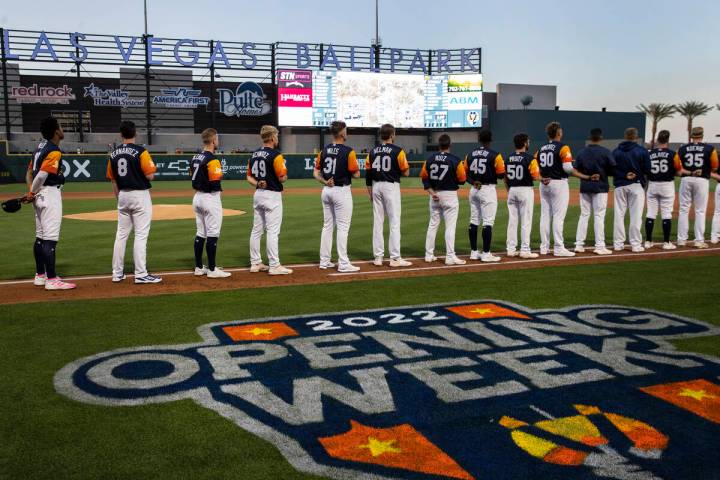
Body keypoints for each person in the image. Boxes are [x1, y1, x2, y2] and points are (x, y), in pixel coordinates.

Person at [107, 121, 162, 284]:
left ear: (121, 134)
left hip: (123, 195)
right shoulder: (141, 152)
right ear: (135, 133)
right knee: (141, 235)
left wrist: (120, 200)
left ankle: (117, 273)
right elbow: (150, 175)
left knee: (121, 235)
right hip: (139, 195)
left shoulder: (113, 154)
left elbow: (113, 181)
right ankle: (140, 274)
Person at [25, 116, 76, 290]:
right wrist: (32, 191)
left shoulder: (39, 148)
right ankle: (52, 280)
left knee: (40, 237)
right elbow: (40, 175)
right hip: (49, 194)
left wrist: (32, 193)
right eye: (61, 126)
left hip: (39, 196)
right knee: (50, 240)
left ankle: (40, 275)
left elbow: (29, 173)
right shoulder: (53, 150)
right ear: (56, 131)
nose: (63, 129)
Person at [536, 122, 597, 257]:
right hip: (558, 183)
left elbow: (536, 168)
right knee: (558, 216)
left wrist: (541, 177)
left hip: (544, 183)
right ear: (559, 133)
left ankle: (544, 247)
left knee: (545, 216)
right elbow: (568, 168)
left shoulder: (541, 149)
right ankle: (558, 248)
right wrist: (586, 176)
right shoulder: (563, 147)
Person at [314, 120, 361, 272]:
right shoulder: (348, 151)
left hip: (327, 190)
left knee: (327, 226)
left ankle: (324, 261)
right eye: (345, 130)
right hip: (341, 191)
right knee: (343, 228)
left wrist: (325, 181)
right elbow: (357, 175)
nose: (346, 133)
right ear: (341, 132)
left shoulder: (324, 150)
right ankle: (344, 263)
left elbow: (315, 173)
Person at [365, 123, 412, 267]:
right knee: (394, 222)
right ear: (392, 135)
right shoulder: (398, 151)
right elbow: (406, 171)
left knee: (378, 222)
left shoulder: (372, 151)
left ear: (381, 135)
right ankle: (395, 258)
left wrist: (370, 192)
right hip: (390, 186)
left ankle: (378, 258)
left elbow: (368, 173)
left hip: (376, 186)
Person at [247, 125, 292, 275]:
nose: (277, 138)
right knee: (273, 231)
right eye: (277, 136)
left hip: (258, 193)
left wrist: (258, 183)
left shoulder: (254, 154)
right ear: (272, 137)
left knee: (256, 231)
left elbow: (249, 177)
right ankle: (274, 265)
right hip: (272, 195)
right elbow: (282, 177)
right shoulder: (276, 155)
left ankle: (255, 263)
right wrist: (285, 175)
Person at [190, 128, 231, 278]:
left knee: (201, 233)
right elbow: (215, 183)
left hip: (197, 197)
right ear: (213, 140)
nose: (218, 141)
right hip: (210, 197)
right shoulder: (212, 159)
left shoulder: (195, 157)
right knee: (213, 233)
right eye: (217, 139)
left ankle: (199, 267)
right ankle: (212, 270)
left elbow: (192, 177)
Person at [420, 134, 467, 265]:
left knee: (433, 224)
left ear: (439, 145)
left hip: (434, 195)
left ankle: (428, 255)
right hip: (449, 195)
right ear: (450, 145)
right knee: (450, 226)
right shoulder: (455, 160)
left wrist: (431, 192)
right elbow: (462, 180)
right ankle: (450, 256)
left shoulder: (430, 159)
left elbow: (424, 177)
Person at [464, 129, 505, 262]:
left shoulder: (469, 154)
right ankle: (486, 254)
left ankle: (474, 252)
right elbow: (501, 174)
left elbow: (465, 175)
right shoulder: (495, 155)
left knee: (474, 220)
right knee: (488, 222)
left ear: (479, 139)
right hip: (487, 189)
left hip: (474, 189)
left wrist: (473, 182)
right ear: (490, 140)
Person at [675, 126, 718, 248]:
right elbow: (715, 166)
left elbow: (678, 167)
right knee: (700, 211)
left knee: (683, 210)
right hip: (701, 180)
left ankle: (681, 240)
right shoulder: (710, 149)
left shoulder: (681, 149)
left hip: (686, 179)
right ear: (702, 135)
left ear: (691, 136)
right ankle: (699, 240)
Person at [573, 128, 613, 255]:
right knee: (599, 216)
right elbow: (612, 170)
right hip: (600, 187)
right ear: (601, 138)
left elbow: (575, 170)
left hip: (585, 187)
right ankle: (600, 246)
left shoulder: (581, 152)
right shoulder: (606, 152)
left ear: (590, 138)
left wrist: (586, 176)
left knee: (584, 215)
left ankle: (579, 245)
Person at [611, 127, 648, 253]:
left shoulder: (616, 151)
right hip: (636, 186)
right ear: (636, 137)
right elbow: (647, 169)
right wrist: (637, 175)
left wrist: (623, 175)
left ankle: (618, 244)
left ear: (625, 136)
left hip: (620, 186)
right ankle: (636, 244)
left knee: (619, 215)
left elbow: (611, 170)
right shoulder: (642, 151)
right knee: (636, 216)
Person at [505, 133, 540, 258]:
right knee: (526, 221)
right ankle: (525, 250)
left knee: (512, 221)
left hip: (512, 190)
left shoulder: (508, 158)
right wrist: (544, 179)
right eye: (528, 141)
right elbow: (535, 176)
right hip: (525, 190)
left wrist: (509, 190)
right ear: (525, 143)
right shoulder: (530, 159)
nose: (529, 143)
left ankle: (510, 249)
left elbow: (505, 177)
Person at [643, 130, 678, 250]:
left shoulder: (649, 153)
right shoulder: (673, 154)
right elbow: (678, 169)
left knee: (651, 213)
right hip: (667, 185)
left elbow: (645, 169)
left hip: (652, 185)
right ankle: (667, 242)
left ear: (657, 140)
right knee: (666, 214)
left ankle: (648, 241)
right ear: (667, 140)